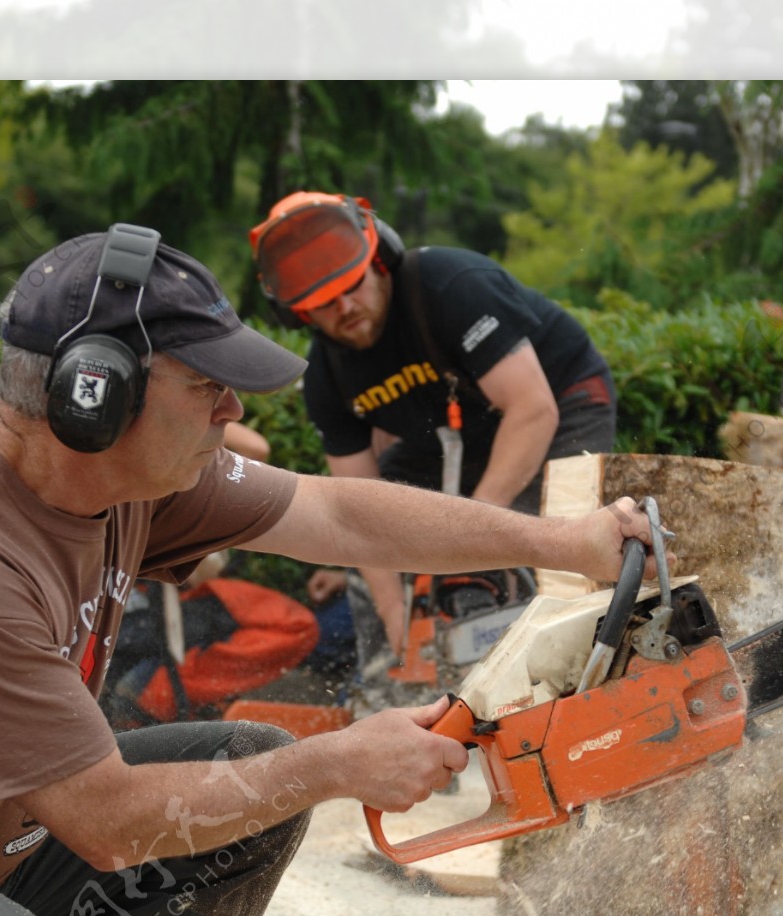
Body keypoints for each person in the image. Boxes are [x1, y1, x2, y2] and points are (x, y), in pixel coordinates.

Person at [0, 223, 661, 916]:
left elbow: (338, 515)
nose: (234, 414)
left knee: (245, 773)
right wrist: (336, 763)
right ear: (92, 397)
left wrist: (565, 540)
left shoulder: (117, 479)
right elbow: (106, 825)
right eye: (206, 388)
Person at [249, 192, 618, 669]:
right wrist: (395, 620)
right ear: (297, 313)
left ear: (380, 258)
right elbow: (355, 506)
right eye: (324, 303)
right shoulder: (325, 378)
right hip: (453, 433)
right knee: (399, 513)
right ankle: (408, 664)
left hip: (559, 398)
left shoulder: (450, 286)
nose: (344, 307)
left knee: (545, 530)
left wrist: (476, 532)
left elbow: (532, 411)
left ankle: (577, 660)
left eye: (353, 285)